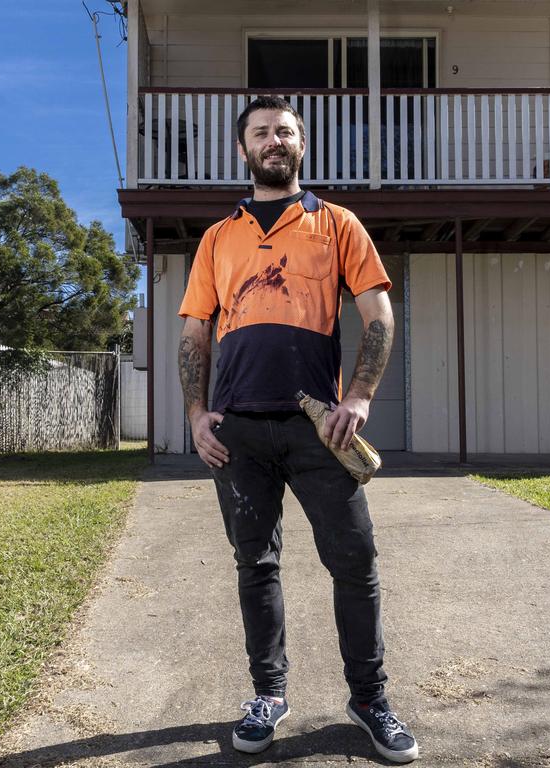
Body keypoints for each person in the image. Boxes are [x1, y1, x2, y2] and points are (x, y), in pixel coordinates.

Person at [176, 96, 418, 764]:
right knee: (255, 564)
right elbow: (195, 333)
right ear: (242, 149)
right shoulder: (217, 238)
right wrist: (196, 415)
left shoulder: (337, 224)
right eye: (261, 132)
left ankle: (369, 699)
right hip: (238, 432)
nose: (273, 140)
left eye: (285, 131)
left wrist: (361, 396)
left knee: (355, 561)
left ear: (302, 144)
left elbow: (380, 316)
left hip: (321, 427)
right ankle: (268, 694)